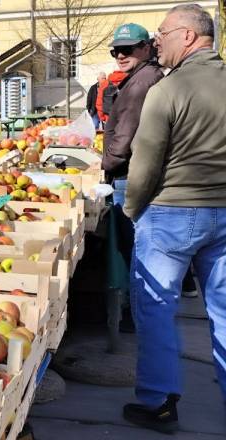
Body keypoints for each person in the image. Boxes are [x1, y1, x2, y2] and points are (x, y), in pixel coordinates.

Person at [122, 4, 226, 433]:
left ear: (187, 36)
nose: (157, 40)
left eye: (162, 32)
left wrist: (131, 210)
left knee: (156, 307)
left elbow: (144, 165)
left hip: (171, 214)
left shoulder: (168, 90)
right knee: (223, 311)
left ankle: (158, 400)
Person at [100, 24, 164, 333]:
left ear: (146, 47)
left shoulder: (141, 83)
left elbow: (125, 134)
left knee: (134, 247)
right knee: (135, 246)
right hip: (130, 172)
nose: (121, 55)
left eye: (128, 48)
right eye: (116, 50)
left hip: (128, 174)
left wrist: (107, 163)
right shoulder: (141, 77)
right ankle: (139, 315)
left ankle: (136, 318)